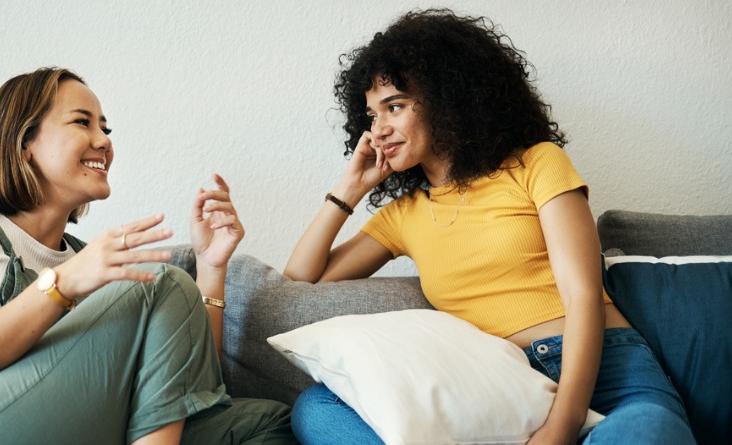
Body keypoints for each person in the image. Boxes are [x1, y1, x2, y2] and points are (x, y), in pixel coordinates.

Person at [284, 9, 695, 445]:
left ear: (447, 98)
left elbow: (584, 296)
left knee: (649, 430)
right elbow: (301, 280)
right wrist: (349, 189)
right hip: (497, 387)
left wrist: (560, 425)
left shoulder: (535, 164)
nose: (378, 129)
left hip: (605, 371)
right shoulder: (404, 215)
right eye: (371, 115)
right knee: (317, 409)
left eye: (395, 106)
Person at [0, 67, 297, 445]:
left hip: (78, 425)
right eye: (83, 122)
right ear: (24, 141)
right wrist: (63, 284)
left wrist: (211, 266)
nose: (105, 140)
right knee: (162, 281)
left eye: (105, 126)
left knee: (268, 422)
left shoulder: (88, 259)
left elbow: (186, 378)